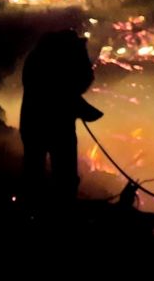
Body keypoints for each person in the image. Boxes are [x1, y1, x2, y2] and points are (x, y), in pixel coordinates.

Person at [20, 29, 102, 206]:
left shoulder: (35, 56)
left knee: (34, 171)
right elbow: (84, 79)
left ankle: (32, 210)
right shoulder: (69, 55)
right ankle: (61, 213)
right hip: (60, 126)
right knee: (64, 175)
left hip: (32, 122)